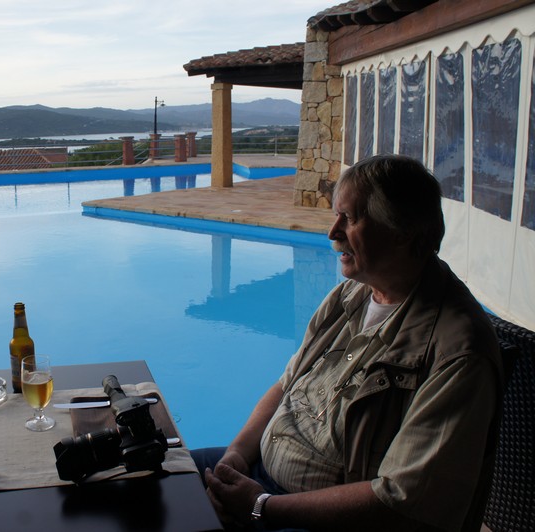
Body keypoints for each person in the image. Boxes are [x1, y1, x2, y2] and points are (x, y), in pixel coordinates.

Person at [192, 155, 503, 531]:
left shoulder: (457, 353)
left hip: (322, 518)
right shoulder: (347, 298)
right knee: (156, 475)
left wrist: (261, 507)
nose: (332, 232)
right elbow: (286, 385)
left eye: (350, 218)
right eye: (335, 216)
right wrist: (236, 455)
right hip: (261, 480)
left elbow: (400, 500)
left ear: (402, 231)